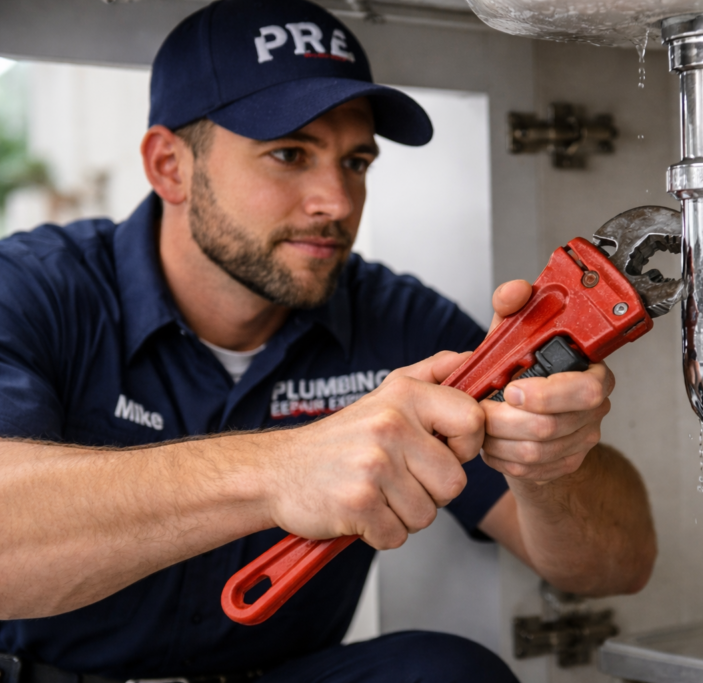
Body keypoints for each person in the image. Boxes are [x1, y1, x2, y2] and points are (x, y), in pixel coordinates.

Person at [0, 0, 657, 681]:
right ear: (170, 165)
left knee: (447, 672)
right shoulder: (32, 290)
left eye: (356, 161)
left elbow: (618, 565)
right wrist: (278, 469)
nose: (337, 202)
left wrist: (548, 466)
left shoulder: (400, 324)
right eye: (289, 154)